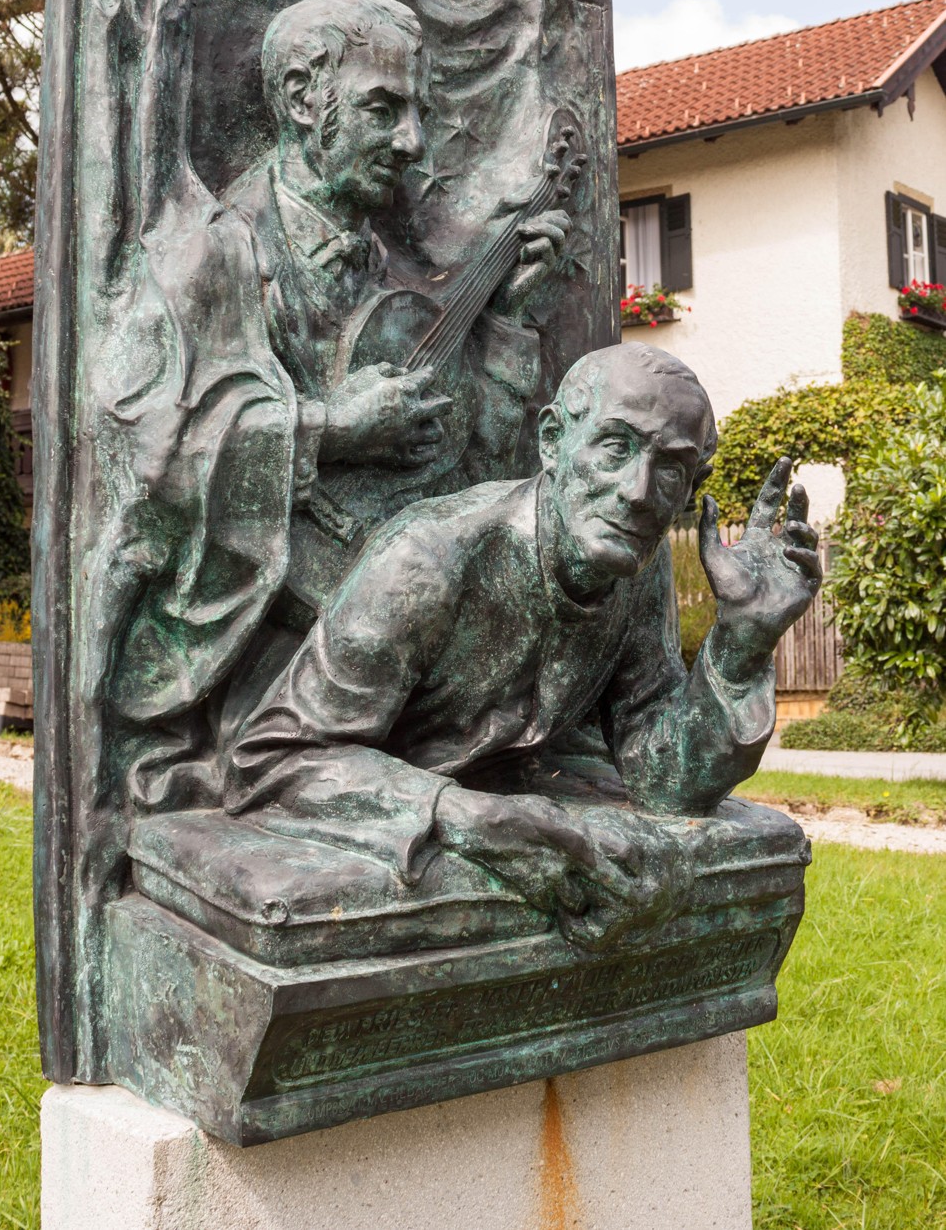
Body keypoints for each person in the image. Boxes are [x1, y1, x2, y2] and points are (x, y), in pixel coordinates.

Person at [221, 342, 822, 945]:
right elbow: (271, 760)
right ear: (554, 441)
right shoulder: (427, 559)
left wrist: (743, 641)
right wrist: (475, 819)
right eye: (616, 447)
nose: (639, 492)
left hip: (518, 790)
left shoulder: (639, 566)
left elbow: (663, 779)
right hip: (399, 804)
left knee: (748, 849)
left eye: (670, 468)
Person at [109, 0, 575, 730]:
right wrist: (331, 429)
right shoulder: (212, 253)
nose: (413, 141)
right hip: (247, 658)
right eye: (383, 109)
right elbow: (155, 454)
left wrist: (509, 324)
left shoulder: (398, 281)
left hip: (386, 638)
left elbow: (468, 480)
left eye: (416, 112)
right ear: (302, 99)